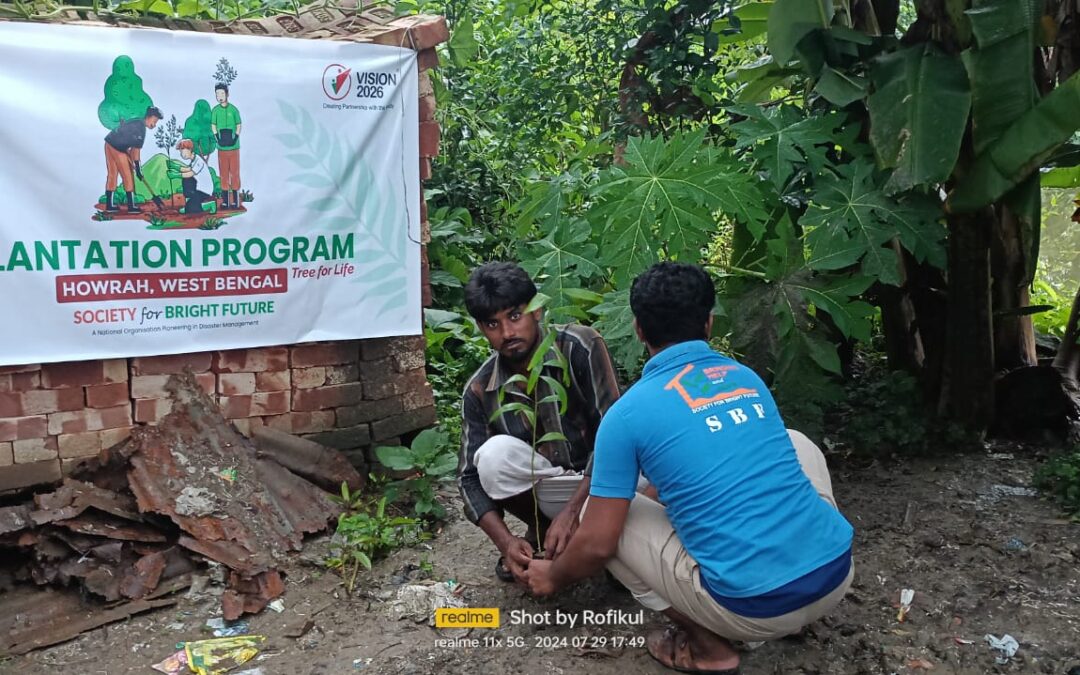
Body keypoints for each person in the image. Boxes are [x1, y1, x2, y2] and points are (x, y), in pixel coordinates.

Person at [524, 262, 854, 674]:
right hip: (837, 575)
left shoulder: (627, 416)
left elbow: (596, 545)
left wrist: (552, 576)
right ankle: (792, 604)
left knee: (600, 515)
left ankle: (711, 649)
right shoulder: (745, 378)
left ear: (639, 330)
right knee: (796, 442)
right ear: (709, 322)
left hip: (754, 608)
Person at [458, 261, 621, 584]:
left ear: (536, 311)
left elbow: (615, 439)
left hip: (604, 483)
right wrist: (506, 542)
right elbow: (469, 480)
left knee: (641, 467)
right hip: (550, 488)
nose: (507, 333)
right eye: (493, 324)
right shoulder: (480, 388)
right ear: (481, 328)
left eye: (515, 316)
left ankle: (601, 541)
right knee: (492, 457)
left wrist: (572, 512)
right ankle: (545, 532)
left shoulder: (580, 347)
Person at [103, 106, 162, 214]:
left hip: (109, 143)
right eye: (155, 121)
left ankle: (109, 205)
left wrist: (136, 166)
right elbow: (135, 152)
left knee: (112, 174)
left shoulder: (137, 122)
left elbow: (130, 147)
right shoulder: (141, 128)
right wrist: (138, 169)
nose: (154, 124)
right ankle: (131, 206)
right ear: (149, 117)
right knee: (128, 174)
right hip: (117, 148)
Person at [210, 84, 242, 211]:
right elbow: (213, 125)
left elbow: (239, 124)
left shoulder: (234, 110)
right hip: (222, 148)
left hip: (234, 148)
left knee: (234, 173)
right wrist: (217, 137)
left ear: (227, 94)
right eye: (217, 94)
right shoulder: (215, 110)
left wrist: (236, 137)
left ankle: (235, 200)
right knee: (223, 174)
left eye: (222, 94)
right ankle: (225, 202)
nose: (220, 97)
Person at [175, 140, 216, 215]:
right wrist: (176, 167)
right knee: (186, 179)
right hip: (197, 189)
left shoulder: (198, 160)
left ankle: (210, 205)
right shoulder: (193, 160)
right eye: (181, 152)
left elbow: (191, 173)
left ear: (190, 149)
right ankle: (188, 204)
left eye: (183, 151)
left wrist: (176, 175)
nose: (182, 154)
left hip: (204, 190)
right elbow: (188, 169)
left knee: (191, 209)